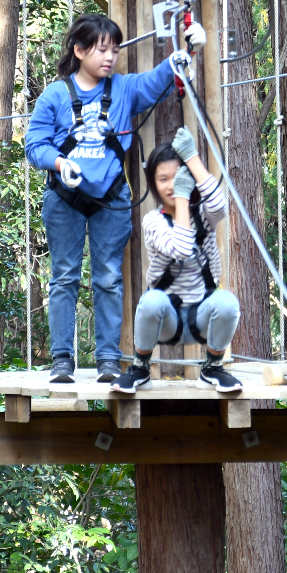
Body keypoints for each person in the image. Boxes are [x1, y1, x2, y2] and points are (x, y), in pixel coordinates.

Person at [25, 14, 177, 384]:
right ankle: (62, 359)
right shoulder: (56, 95)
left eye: (114, 49)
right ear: (79, 51)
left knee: (108, 278)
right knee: (63, 278)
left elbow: (156, 81)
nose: (110, 57)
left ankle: (108, 359)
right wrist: (59, 163)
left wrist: (178, 57)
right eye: (101, 49)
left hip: (111, 197)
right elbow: (34, 145)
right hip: (65, 199)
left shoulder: (124, 90)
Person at [112, 128, 243, 394]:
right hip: (165, 318)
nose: (171, 185)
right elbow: (182, 249)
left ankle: (213, 368)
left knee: (228, 302)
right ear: (154, 183)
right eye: (163, 179)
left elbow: (219, 206)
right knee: (151, 300)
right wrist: (183, 197)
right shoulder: (153, 222)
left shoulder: (203, 214)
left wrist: (192, 159)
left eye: (177, 177)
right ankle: (140, 367)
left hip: (202, 315)